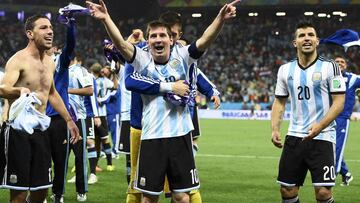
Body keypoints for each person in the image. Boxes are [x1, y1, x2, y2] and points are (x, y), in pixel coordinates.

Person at [87, 0, 238, 202]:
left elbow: (204, 40)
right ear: (148, 42)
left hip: (180, 135)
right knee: (148, 198)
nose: (158, 40)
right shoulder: (141, 58)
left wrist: (220, 19)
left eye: (162, 35)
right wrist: (106, 19)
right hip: (151, 137)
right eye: (153, 36)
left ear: (171, 40)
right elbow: (122, 45)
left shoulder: (184, 55)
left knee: (182, 197)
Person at [0, 14, 79, 203]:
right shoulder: (18, 59)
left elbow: (51, 93)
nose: (50, 31)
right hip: (18, 131)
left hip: (42, 130)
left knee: (41, 190)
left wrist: (69, 120)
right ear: (30, 33)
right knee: (18, 193)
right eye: (43, 27)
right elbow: (3, 88)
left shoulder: (50, 62)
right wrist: (20, 91)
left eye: (50, 27)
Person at [271, 21, 345, 203]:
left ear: (317, 41)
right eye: (302, 36)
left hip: (323, 136)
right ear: (294, 42)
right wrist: (274, 129)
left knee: (323, 193)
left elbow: (339, 102)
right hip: (294, 136)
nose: (306, 39)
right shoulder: (285, 70)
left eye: (311, 35)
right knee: (287, 190)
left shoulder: (330, 67)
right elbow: (279, 102)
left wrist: (320, 126)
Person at [45, 13, 76, 203]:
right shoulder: (33, 64)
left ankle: (58, 194)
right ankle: (40, 191)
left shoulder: (60, 63)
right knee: (40, 159)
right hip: (39, 118)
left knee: (59, 160)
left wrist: (71, 25)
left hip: (58, 118)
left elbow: (71, 46)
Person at [334, 55, 360, 186]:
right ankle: (346, 174)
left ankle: (333, 174)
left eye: (342, 61)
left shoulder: (352, 78)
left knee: (337, 148)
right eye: (337, 61)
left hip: (342, 119)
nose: (339, 63)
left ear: (346, 65)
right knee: (329, 147)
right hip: (327, 118)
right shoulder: (327, 77)